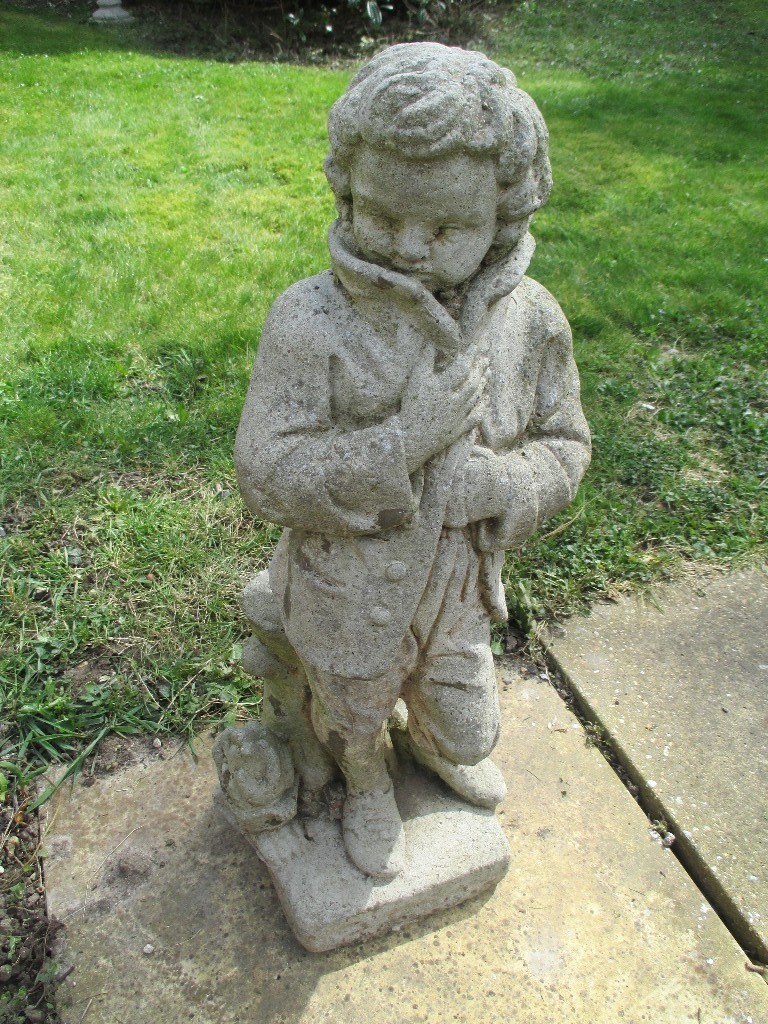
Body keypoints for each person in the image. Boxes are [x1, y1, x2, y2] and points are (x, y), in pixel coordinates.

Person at [234, 42, 591, 880]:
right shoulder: (310, 320)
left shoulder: (530, 320)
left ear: (502, 216)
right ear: (347, 186)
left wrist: (508, 483)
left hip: (458, 593)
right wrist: (406, 443)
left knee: (471, 730)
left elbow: (567, 441)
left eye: (445, 228)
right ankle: (365, 783)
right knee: (353, 711)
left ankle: (434, 745)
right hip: (345, 589)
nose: (408, 246)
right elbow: (266, 470)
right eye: (382, 215)